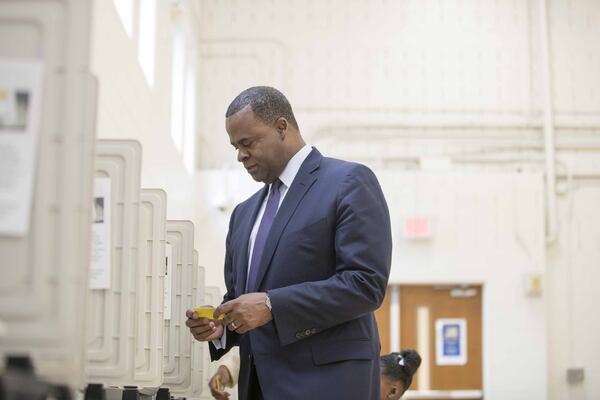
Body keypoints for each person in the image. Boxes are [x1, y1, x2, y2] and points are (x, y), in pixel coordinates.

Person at [186, 86, 392, 400]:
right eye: (235, 146)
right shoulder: (243, 214)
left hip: (326, 383)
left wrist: (272, 305)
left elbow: (365, 284)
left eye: (247, 143)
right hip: (257, 387)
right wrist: (222, 329)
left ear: (282, 128)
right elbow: (244, 301)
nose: (240, 155)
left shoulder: (348, 182)